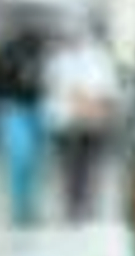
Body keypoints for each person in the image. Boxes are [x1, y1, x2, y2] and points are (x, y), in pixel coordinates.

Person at [41, 22, 122, 222]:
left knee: (89, 164)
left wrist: (94, 104)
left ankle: (86, 204)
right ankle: (73, 205)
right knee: (70, 165)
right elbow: (52, 88)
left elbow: (108, 90)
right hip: (65, 122)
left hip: (92, 122)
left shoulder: (98, 58)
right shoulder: (58, 60)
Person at [0, 26, 49, 227]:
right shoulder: (9, 57)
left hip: (34, 110)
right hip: (15, 109)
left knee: (31, 162)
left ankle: (26, 206)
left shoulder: (39, 57)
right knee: (21, 159)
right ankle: (21, 207)